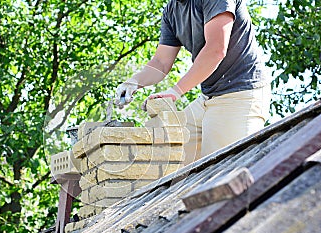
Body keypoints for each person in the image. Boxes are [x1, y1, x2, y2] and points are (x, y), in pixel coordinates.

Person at [115, 0, 271, 165]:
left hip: (240, 96)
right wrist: (134, 82)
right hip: (208, 98)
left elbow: (216, 49)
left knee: (222, 171)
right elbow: (161, 62)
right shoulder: (171, 10)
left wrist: (176, 91)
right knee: (167, 157)